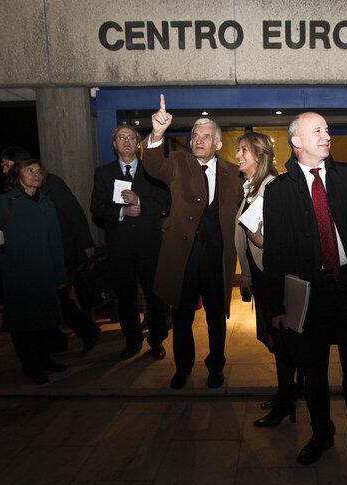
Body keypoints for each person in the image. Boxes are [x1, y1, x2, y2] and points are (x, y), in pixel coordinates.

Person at [262, 112, 347, 485]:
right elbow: (274, 255)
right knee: (314, 374)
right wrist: (276, 307)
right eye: (317, 130)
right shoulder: (279, 190)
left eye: (328, 129)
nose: (327, 135)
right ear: (297, 141)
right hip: (307, 294)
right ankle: (321, 435)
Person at [143, 94, 243, 389]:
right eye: (195, 136)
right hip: (184, 259)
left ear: (218, 144)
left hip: (216, 258)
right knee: (182, 316)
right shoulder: (177, 163)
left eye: (206, 136)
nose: (198, 140)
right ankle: (182, 367)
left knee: (216, 319)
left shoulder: (232, 173)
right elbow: (152, 166)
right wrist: (157, 134)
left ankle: (216, 367)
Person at [0, 147, 101, 354]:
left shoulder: (51, 183)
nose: (3, 170)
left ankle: (82, 333)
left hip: (62, 252)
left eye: (7, 165)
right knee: (53, 299)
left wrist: (87, 243)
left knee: (57, 298)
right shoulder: (14, 192)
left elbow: (74, 212)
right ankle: (62, 340)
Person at [0, 159, 68, 384]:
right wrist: (5, 264)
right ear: (17, 176)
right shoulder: (4, 202)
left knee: (46, 321)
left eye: (39, 171)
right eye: (30, 171)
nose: (36, 174)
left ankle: (45, 360)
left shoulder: (47, 203)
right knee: (23, 324)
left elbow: (56, 242)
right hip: (20, 275)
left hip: (45, 274)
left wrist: (60, 275)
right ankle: (31, 367)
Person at [233, 132, 299, 426]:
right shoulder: (251, 188)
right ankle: (286, 392)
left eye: (243, 150)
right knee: (277, 341)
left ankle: (286, 401)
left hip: (276, 278)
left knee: (282, 341)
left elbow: (289, 239)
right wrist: (246, 275)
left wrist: (264, 244)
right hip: (261, 276)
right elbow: (244, 238)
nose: (238, 155)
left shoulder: (273, 188)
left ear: (259, 156)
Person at [91, 125, 171, 360]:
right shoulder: (103, 173)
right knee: (125, 298)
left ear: (138, 143)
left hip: (149, 245)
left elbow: (166, 201)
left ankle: (156, 341)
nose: (126, 141)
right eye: (120, 137)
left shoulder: (152, 171)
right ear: (114, 144)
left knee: (154, 297)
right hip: (120, 247)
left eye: (130, 137)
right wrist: (122, 211)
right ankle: (132, 341)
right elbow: (97, 207)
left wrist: (141, 201)